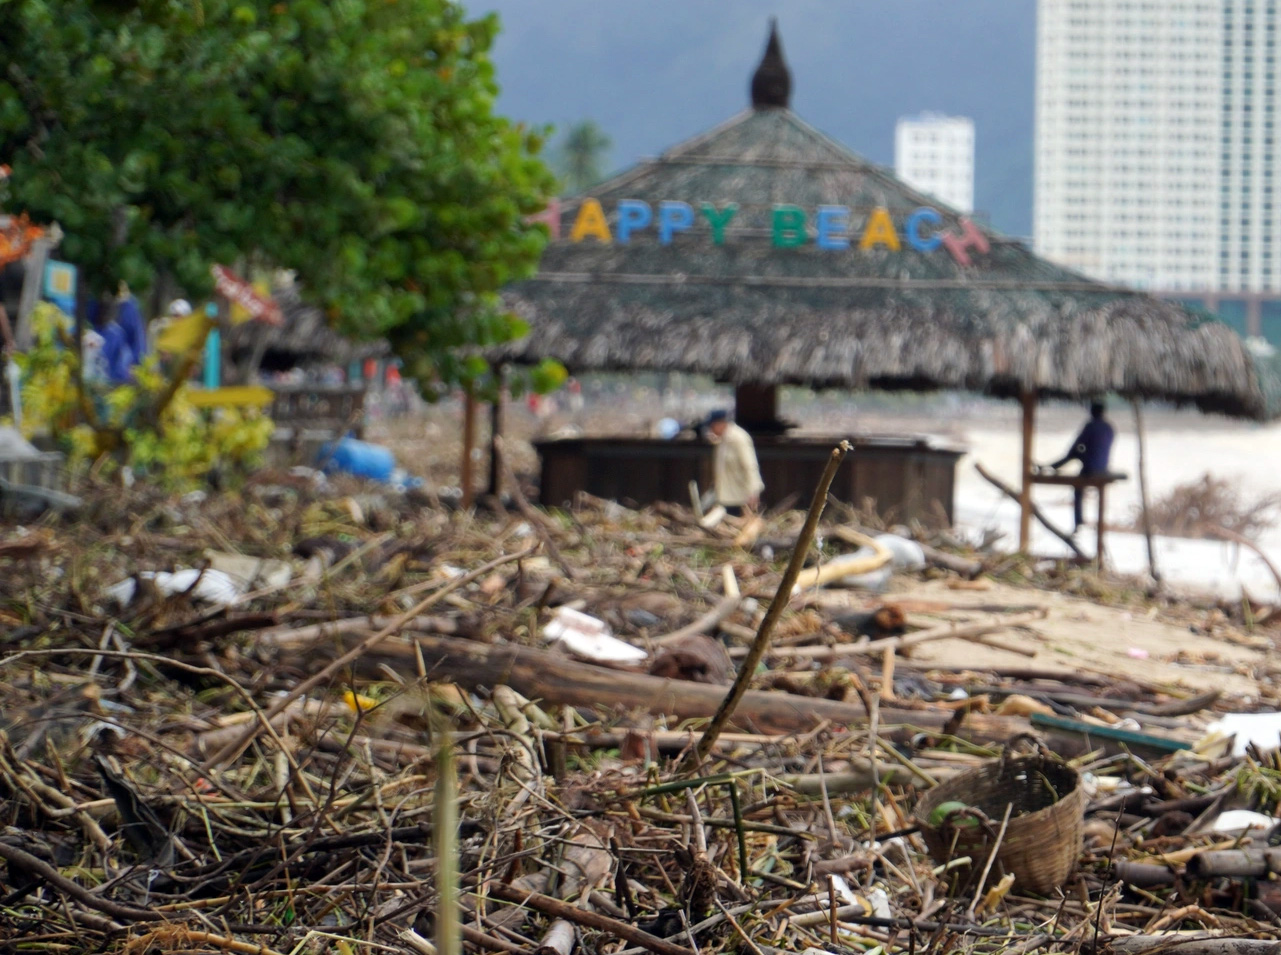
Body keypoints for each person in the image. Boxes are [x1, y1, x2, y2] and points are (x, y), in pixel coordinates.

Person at [1046, 400, 1115, 532]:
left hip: (1090, 468)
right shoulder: (1109, 427)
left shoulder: (1090, 426)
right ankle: (1053, 466)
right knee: (1077, 454)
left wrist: (1072, 454)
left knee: (1077, 486)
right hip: (1103, 468)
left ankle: (1079, 522)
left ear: (1092, 412)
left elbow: (1078, 444)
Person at [705, 409, 764, 516]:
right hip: (724, 496)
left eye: (712, 426)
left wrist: (754, 491)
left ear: (720, 424)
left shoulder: (739, 438)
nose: (711, 430)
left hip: (739, 498)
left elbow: (750, 466)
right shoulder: (722, 439)